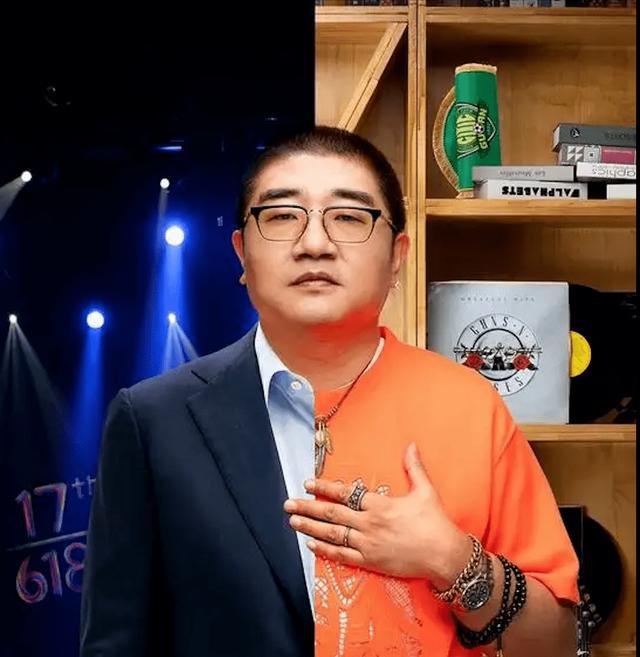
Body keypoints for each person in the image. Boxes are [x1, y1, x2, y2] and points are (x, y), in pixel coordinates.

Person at [80, 126, 579, 657]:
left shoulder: (470, 407)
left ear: (397, 257)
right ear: (242, 254)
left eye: (348, 217)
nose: (314, 244)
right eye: (281, 216)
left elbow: (556, 643)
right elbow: (114, 642)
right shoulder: (154, 421)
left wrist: (453, 560)